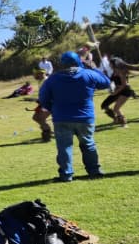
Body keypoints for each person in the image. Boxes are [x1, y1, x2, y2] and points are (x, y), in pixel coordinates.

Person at [38, 49, 112, 182]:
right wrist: (94, 68)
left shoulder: (53, 79)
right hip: (85, 117)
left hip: (61, 118)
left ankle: (66, 175)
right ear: (78, 61)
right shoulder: (89, 74)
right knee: (88, 144)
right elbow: (106, 82)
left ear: (62, 63)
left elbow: (43, 98)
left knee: (64, 147)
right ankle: (94, 171)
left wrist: (51, 109)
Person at [99, 56, 139, 126]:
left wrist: (115, 92)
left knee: (116, 108)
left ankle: (123, 123)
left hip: (125, 91)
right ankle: (115, 119)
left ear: (115, 64)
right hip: (118, 91)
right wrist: (106, 75)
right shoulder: (114, 71)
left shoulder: (121, 72)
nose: (109, 65)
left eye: (110, 64)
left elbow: (124, 85)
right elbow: (111, 81)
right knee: (104, 105)